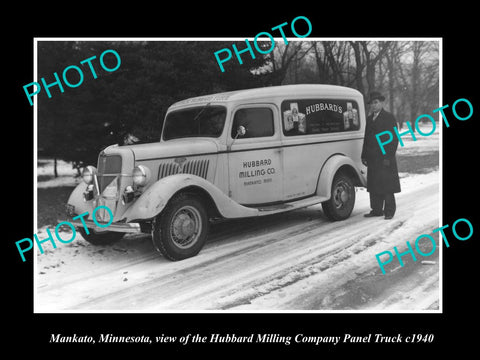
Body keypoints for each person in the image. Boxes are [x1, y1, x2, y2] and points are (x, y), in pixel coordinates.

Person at [361, 91, 401, 220]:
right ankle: (376, 209)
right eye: (372, 103)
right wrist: (364, 155)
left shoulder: (388, 117)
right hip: (372, 158)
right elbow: (366, 139)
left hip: (384, 158)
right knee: (374, 184)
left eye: (376, 102)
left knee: (387, 185)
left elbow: (394, 139)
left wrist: (387, 157)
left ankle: (389, 211)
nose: (373, 105)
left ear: (381, 103)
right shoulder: (369, 119)